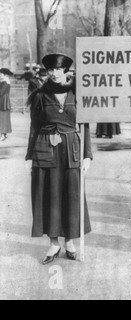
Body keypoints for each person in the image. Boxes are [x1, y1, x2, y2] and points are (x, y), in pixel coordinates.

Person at [25, 53, 93, 265]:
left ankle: (70, 242)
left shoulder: (77, 93)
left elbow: (85, 125)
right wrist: (29, 156)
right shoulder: (40, 95)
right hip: (46, 149)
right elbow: (34, 127)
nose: (54, 73)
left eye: (58, 69)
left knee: (71, 196)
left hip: (72, 149)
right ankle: (54, 243)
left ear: (66, 71)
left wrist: (88, 155)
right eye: (50, 70)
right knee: (49, 196)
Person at [0, 68, 13, 141]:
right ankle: (3, 134)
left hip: (3, 101)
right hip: (3, 101)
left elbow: (1, 92)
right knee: (3, 118)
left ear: (5, 75)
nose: (0, 75)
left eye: (1, 74)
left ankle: (3, 135)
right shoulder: (4, 81)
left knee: (3, 118)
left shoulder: (5, 82)